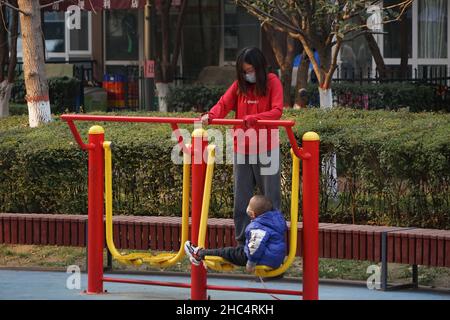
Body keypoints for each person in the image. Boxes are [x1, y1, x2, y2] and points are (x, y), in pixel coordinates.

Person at [200, 47, 283, 246]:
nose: (248, 75)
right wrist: (210, 116)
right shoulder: (240, 85)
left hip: (266, 148)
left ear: (260, 68)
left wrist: (255, 118)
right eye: (244, 71)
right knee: (242, 199)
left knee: (270, 199)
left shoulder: (272, 82)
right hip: (242, 149)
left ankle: (273, 243)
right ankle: (242, 244)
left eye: (251, 70)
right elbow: (223, 104)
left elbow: (277, 111)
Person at [184, 195, 287, 272]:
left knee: (227, 252)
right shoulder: (275, 219)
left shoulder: (257, 227)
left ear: (253, 214)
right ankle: (206, 256)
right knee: (237, 251)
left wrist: (251, 263)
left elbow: (255, 246)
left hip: (260, 258)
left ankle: (198, 254)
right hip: (274, 258)